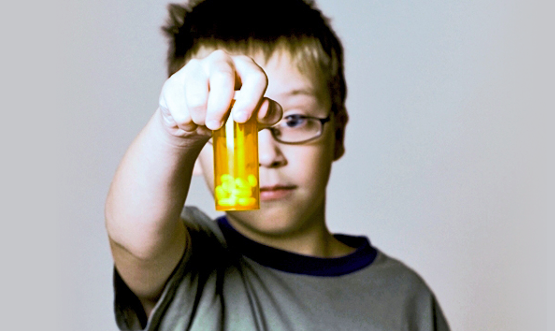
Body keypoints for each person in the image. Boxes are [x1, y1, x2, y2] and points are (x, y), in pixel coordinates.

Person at [105, 0, 451, 330]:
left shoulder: (407, 297)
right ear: (196, 152)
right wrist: (173, 132)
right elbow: (132, 239)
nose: (267, 156)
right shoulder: (192, 263)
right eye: (227, 124)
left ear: (339, 133)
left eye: (295, 119)